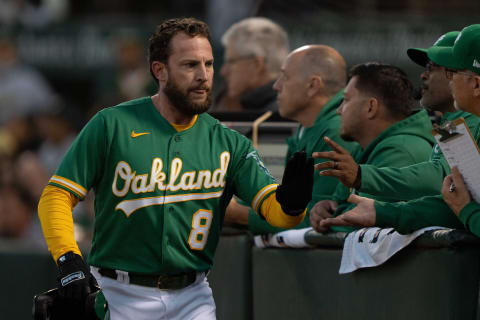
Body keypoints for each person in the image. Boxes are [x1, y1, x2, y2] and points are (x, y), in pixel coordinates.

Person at [37, 17, 313, 320]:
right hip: (117, 293)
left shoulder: (229, 142)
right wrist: (69, 260)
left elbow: (273, 208)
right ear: (160, 70)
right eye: (190, 65)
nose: (204, 76)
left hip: (192, 296)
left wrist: (292, 204)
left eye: (208, 64)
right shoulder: (112, 125)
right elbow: (56, 196)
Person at [318, 24, 480, 236]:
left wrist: (362, 176)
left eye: (439, 68)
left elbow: (440, 177)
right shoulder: (450, 124)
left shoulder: (466, 121)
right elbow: (452, 200)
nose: (423, 76)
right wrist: (381, 212)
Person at [224, 45, 361, 234]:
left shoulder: (336, 133)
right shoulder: (308, 128)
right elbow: (290, 205)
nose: (276, 86)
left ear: (313, 85)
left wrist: (236, 213)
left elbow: (315, 219)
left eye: (285, 77)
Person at [309, 62, 435, 233]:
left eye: (345, 100)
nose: (339, 110)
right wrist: (323, 208)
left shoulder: (401, 150)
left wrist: (329, 219)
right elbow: (339, 204)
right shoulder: (362, 148)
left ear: (371, 107)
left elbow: (360, 220)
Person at [215, 17, 289, 112]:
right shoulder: (289, 109)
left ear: (257, 64)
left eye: (231, 62)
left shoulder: (275, 116)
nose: (223, 71)